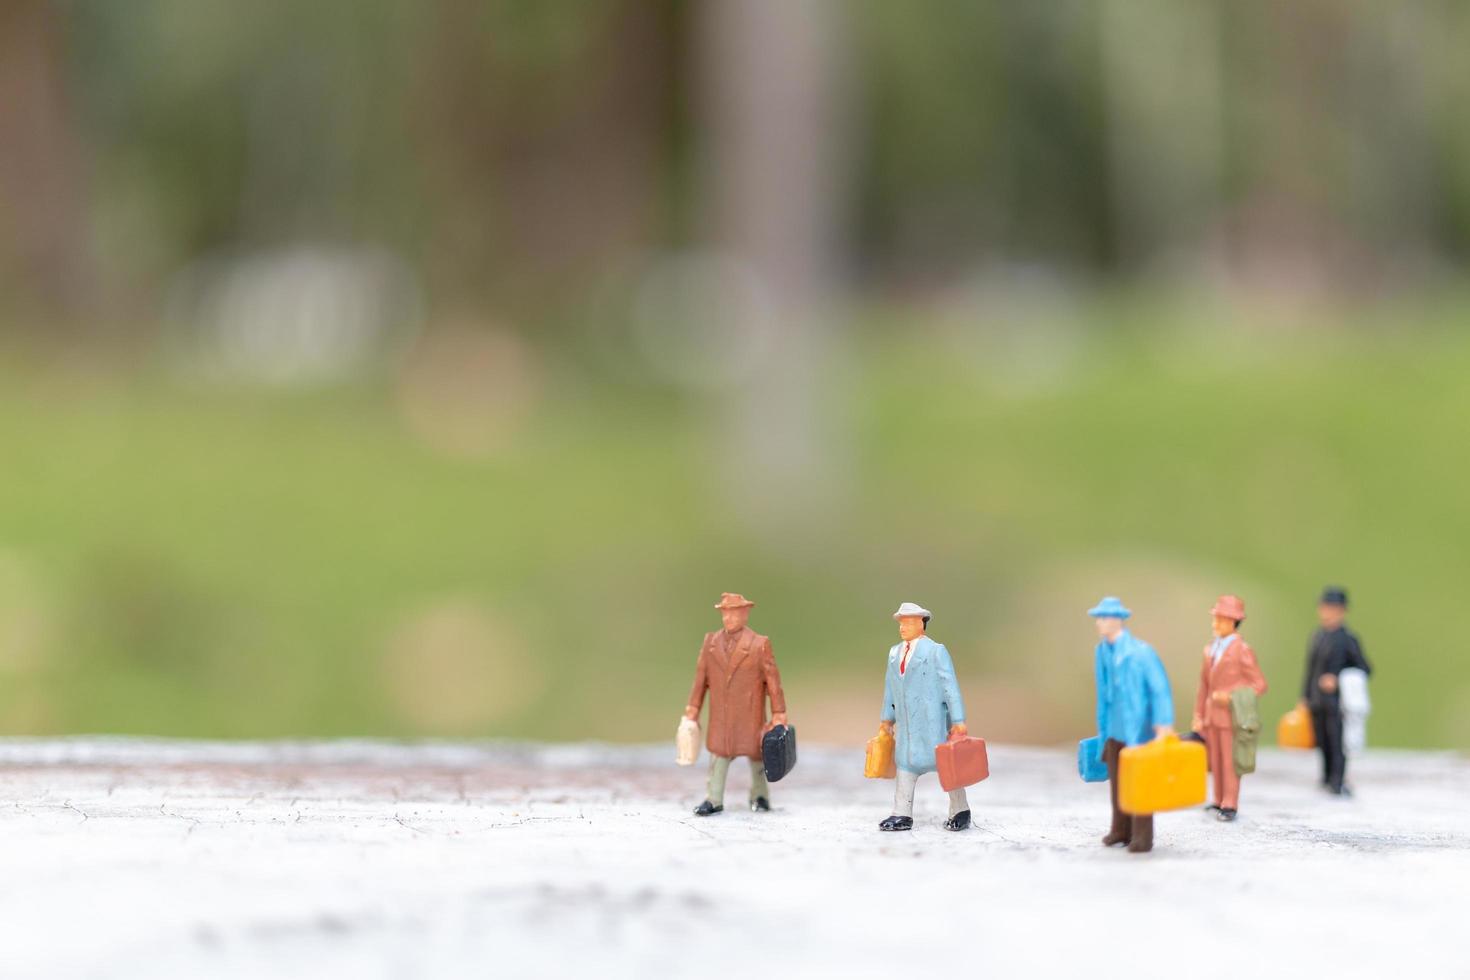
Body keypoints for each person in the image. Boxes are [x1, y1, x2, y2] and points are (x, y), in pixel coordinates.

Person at [684, 593, 788, 815]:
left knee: (758, 757)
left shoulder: (759, 645)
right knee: (719, 757)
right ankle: (713, 798)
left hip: (750, 715)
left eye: (734, 613)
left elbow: (773, 682)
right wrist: (693, 708)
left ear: (745, 614)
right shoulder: (711, 643)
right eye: (726, 613)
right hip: (721, 716)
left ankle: (760, 796)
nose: (729, 618)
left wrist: (779, 712)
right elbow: (701, 680)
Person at [1089, 596, 1174, 853]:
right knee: (1117, 782)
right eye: (1098, 618)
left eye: (1103, 618)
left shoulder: (1140, 652)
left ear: (1117, 620)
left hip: (1137, 730)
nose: (1099, 623)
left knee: (1140, 782)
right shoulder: (1102, 651)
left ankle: (1142, 835)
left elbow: (1160, 689)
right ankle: (1120, 829)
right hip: (1113, 728)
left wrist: (1163, 724)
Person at [877, 602, 972, 832]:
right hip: (908, 728)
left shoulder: (935, 651)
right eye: (901, 623)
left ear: (921, 623)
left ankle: (960, 809)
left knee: (947, 767)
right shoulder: (894, 654)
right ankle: (901, 814)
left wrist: (958, 721)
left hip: (932, 724)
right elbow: (890, 689)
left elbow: (951, 687)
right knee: (906, 767)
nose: (903, 628)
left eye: (908, 622)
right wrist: (887, 719)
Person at [1191, 595, 1267, 822]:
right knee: (1214, 760)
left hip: (1231, 718)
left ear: (1234, 622)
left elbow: (1259, 685)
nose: (1216, 624)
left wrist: (1232, 697)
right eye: (1215, 619)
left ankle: (1230, 803)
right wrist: (1198, 715)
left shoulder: (1242, 650)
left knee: (1229, 761)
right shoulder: (1210, 650)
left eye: (1221, 620)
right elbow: (1203, 686)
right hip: (1210, 716)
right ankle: (1217, 799)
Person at [1300, 587, 1371, 796]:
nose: (1329, 612)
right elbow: (1310, 669)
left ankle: (1337, 781)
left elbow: (1364, 668)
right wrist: (1304, 696)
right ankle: (1326, 776)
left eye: (1334, 608)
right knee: (1322, 741)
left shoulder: (1347, 639)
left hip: (1338, 703)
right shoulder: (1318, 636)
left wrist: (1338, 679)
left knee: (1337, 742)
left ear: (1342, 611)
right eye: (1325, 607)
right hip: (1317, 700)